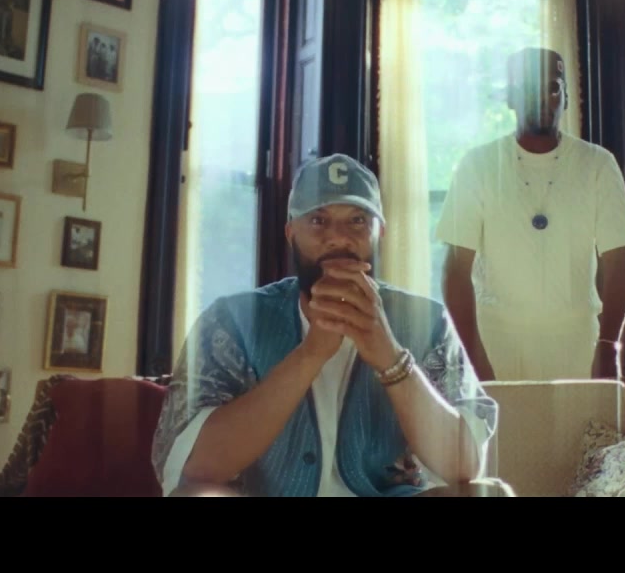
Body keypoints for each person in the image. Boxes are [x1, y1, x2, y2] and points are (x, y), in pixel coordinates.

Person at [152, 153, 497, 497]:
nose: (338, 238)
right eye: (318, 220)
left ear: (380, 233)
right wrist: (311, 354)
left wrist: (391, 358)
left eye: (357, 220)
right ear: (291, 233)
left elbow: (464, 464)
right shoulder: (231, 321)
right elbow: (195, 466)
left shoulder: (428, 322)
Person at [437, 47, 625, 381]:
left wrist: (608, 349)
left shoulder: (597, 164)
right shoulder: (477, 165)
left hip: (579, 348)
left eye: (552, 87)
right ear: (510, 98)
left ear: (565, 97)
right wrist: (472, 356)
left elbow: (620, 261)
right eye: (529, 87)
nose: (543, 98)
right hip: (495, 347)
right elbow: (455, 270)